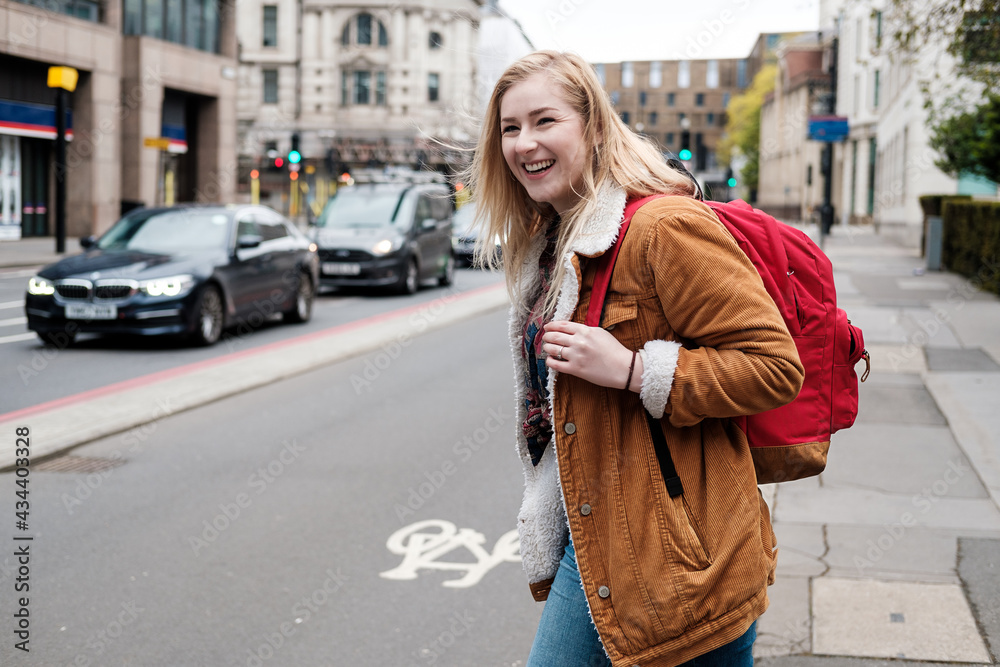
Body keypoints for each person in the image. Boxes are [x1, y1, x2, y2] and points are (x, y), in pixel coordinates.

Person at [466, 51, 805, 667]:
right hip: (599, 533)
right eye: (509, 128)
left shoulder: (663, 228)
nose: (524, 143)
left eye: (545, 121)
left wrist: (633, 370)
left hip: (683, 556)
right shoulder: (550, 246)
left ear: (594, 127)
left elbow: (773, 367)